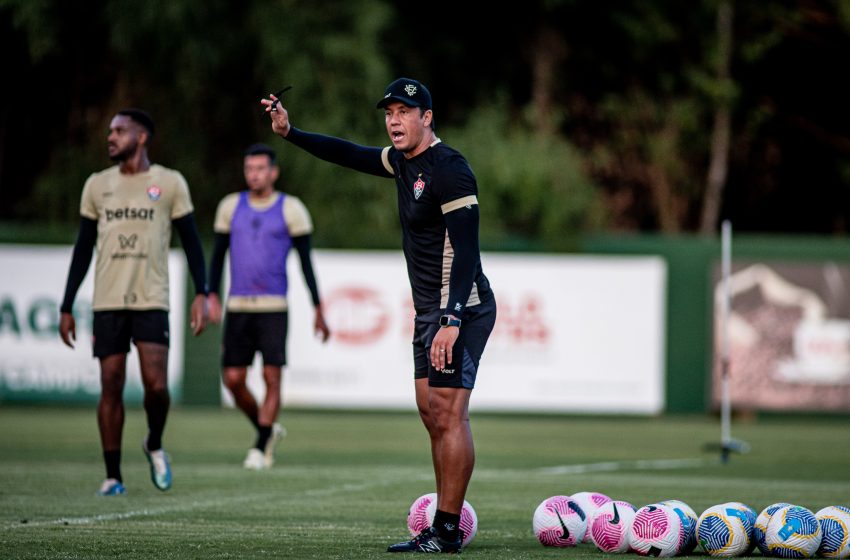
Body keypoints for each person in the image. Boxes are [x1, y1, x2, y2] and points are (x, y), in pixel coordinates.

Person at [261, 77, 497, 553]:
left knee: (450, 415)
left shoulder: (450, 168)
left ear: (427, 118)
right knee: (432, 414)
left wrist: (451, 320)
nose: (394, 120)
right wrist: (292, 133)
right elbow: (348, 153)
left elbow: (468, 252)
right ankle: (442, 522)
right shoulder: (403, 163)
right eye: (389, 113)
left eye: (405, 112)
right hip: (429, 309)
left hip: (461, 308)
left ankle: (447, 529)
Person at [59, 108, 208, 496]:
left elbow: (192, 242)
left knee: (156, 387)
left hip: (151, 297)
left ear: (141, 137)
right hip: (107, 299)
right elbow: (82, 248)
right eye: (110, 130)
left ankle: (154, 442)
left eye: (119, 131)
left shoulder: (170, 183)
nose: (110, 136)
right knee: (110, 383)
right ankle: (113, 476)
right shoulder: (96, 185)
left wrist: (203, 293)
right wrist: (65, 304)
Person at [207, 142, 330, 470]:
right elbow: (217, 256)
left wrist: (318, 305)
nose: (254, 175)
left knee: (271, 377)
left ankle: (261, 447)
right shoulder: (230, 207)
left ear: (273, 172)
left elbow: (306, 262)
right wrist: (210, 294)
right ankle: (266, 428)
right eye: (249, 169)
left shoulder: (292, 209)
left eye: (261, 169)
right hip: (239, 304)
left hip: (274, 306)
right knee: (233, 379)